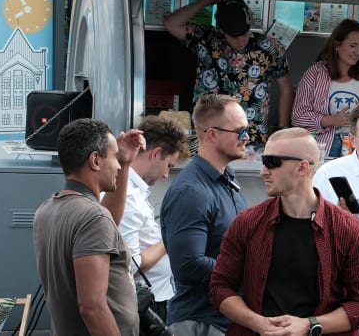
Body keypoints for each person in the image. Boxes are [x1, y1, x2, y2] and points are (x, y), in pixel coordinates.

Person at [209, 128, 359, 336]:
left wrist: (310, 325)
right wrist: (258, 323)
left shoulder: (347, 229)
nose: (263, 170)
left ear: (302, 167)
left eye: (272, 162)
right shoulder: (248, 222)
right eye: (264, 161)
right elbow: (219, 287)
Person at [33, 118, 145, 336]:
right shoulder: (93, 218)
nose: (118, 166)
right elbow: (92, 307)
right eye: (114, 158)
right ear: (95, 160)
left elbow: (106, 224)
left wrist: (126, 163)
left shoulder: (47, 210)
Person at [160, 94, 250, 334]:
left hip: (222, 321)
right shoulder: (192, 191)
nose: (247, 138)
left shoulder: (226, 179)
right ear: (213, 134)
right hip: (200, 323)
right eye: (240, 132)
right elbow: (188, 265)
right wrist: (249, 268)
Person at [163, 0, 293, 147]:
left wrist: (281, 132)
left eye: (244, 34)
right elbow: (171, 23)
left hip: (251, 137)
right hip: (209, 134)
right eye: (233, 36)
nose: (240, 41)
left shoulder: (269, 47)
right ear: (221, 30)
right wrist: (206, 0)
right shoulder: (207, 40)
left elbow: (286, 88)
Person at [118, 115, 188, 325]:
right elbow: (128, 266)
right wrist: (169, 240)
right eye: (169, 165)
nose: (167, 175)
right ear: (156, 153)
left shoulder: (134, 192)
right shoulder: (128, 197)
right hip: (142, 304)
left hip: (153, 297)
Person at [292, 18, 359, 158]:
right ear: (337, 45)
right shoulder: (315, 73)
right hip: (323, 147)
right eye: (353, 45)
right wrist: (331, 120)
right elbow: (298, 118)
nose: (357, 51)